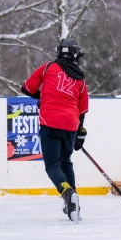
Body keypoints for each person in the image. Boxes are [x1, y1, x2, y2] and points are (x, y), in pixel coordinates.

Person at [21, 38, 89, 223]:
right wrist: (80, 133)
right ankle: (74, 204)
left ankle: (66, 191)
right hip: (71, 124)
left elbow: (27, 88)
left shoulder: (48, 67)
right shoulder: (80, 78)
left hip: (50, 121)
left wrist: (42, 96)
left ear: (59, 51)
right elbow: (82, 110)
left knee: (52, 165)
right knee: (66, 161)